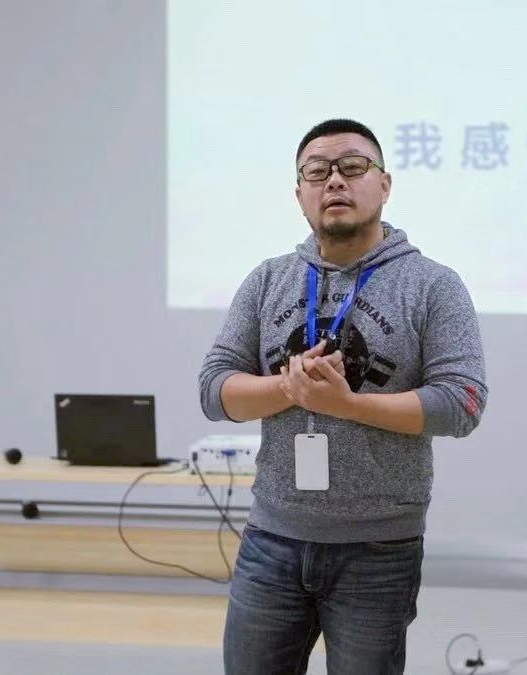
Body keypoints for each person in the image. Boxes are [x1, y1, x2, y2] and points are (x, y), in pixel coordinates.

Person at [199, 118, 487, 674]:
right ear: (300, 195)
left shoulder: (432, 285)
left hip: (377, 550)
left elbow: (462, 403)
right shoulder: (268, 280)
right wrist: (288, 387)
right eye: (317, 172)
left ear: (385, 184)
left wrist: (348, 406)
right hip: (271, 539)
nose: (334, 180)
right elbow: (215, 389)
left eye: (353, 167)